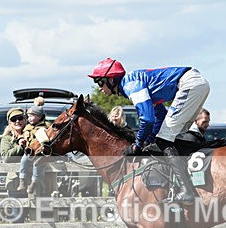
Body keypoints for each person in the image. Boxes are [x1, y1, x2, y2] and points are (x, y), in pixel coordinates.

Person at [89, 57, 210, 203]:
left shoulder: (130, 85)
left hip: (190, 84)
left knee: (165, 139)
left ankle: (187, 191)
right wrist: (150, 138)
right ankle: (187, 183)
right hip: (196, 83)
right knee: (170, 138)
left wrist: (138, 144)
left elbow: (147, 119)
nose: (99, 87)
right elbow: (159, 115)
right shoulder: (133, 83)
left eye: (100, 81)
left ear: (112, 79)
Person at [17, 106, 50, 194]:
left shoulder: (46, 126)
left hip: (40, 151)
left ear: (39, 116)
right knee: (23, 161)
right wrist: (22, 138)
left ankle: (34, 182)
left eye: (32, 116)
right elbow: (21, 134)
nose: (29, 118)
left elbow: (49, 138)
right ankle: (22, 180)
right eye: (28, 116)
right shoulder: (27, 126)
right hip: (29, 150)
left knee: (37, 165)